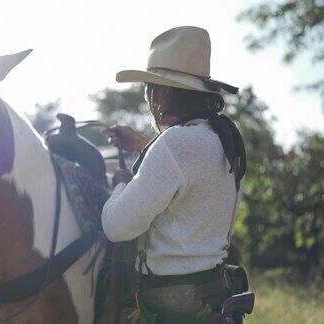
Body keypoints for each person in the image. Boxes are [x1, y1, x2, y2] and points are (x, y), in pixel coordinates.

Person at [101, 26, 250, 323]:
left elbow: (117, 227)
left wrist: (119, 186)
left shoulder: (175, 144)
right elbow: (191, 175)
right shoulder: (222, 137)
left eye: (149, 88)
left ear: (163, 90)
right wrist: (145, 145)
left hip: (172, 304)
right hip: (211, 294)